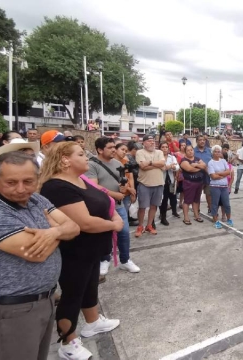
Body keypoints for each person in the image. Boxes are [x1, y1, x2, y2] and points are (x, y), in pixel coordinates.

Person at [0, 151, 80, 360]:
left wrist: (53, 232)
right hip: (14, 309)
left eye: (28, 181)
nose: (21, 189)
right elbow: (35, 253)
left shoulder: (36, 199)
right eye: (11, 182)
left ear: (38, 179)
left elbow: (74, 227)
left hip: (44, 300)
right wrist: (57, 228)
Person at [39, 142, 122, 359]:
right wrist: (114, 225)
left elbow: (105, 202)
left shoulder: (80, 179)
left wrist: (115, 216)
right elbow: (84, 222)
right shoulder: (57, 187)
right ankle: (68, 341)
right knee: (72, 295)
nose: (87, 158)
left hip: (91, 249)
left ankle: (93, 321)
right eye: (81, 154)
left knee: (89, 286)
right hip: (74, 251)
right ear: (65, 159)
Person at [86, 137, 140, 278]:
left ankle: (125, 260)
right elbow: (94, 186)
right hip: (101, 206)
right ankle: (104, 259)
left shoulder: (116, 163)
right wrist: (114, 194)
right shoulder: (92, 165)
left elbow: (122, 181)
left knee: (124, 233)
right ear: (99, 150)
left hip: (118, 206)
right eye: (110, 147)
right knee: (104, 234)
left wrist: (124, 188)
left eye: (113, 147)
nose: (113, 150)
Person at [135, 135, 165, 237]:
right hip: (144, 184)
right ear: (143, 143)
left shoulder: (159, 152)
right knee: (142, 207)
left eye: (153, 141)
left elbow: (162, 163)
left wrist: (150, 163)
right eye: (149, 141)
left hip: (159, 184)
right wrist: (157, 165)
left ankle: (149, 226)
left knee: (154, 206)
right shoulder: (140, 152)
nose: (152, 143)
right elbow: (142, 166)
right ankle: (140, 226)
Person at [180, 145, 206, 225]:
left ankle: (196, 215)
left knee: (196, 200)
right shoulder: (183, 160)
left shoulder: (197, 159)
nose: (190, 151)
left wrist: (195, 165)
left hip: (199, 183)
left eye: (191, 150)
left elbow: (204, 166)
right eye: (188, 150)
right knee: (187, 201)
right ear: (185, 152)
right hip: (189, 183)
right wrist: (199, 166)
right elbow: (189, 169)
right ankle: (186, 217)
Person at [208, 145, 233, 228]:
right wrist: (223, 174)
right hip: (214, 186)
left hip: (224, 186)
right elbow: (213, 177)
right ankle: (216, 220)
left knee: (226, 204)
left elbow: (228, 172)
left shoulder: (223, 161)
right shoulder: (210, 163)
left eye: (219, 151)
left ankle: (229, 219)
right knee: (215, 204)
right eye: (215, 151)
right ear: (212, 153)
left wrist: (218, 173)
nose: (217, 153)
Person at [159, 142, 180, 225]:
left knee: (173, 197)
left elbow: (177, 167)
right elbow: (162, 168)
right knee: (163, 200)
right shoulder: (158, 157)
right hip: (161, 181)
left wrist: (172, 166)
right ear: (160, 148)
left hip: (170, 180)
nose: (164, 149)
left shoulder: (172, 157)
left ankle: (174, 211)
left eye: (166, 147)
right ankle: (163, 217)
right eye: (163, 147)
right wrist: (170, 166)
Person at [194, 135, 213, 214]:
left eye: (203, 140)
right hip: (197, 176)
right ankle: (197, 210)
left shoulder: (209, 151)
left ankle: (211, 209)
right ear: (197, 141)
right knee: (197, 194)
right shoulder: (193, 151)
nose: (202, 141)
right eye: (200, 140)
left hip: (208, 175)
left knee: (209, 194)